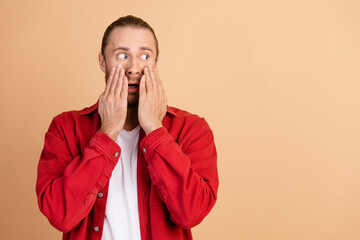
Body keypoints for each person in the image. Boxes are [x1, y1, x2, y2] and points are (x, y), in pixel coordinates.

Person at [36, 15, 218, 240]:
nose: (134, 68)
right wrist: (109, 130)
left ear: (156, 64)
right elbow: (60, 215)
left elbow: (192, 213)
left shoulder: (192, 129)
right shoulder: (65, 128)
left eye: (144, 56)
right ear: (103, 62)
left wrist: (155, 129)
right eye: (122, 55)